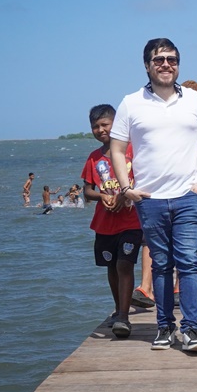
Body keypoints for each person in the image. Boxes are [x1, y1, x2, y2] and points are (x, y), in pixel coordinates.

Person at [110, 37, 197, 353]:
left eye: (172, 59)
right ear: (147, 65)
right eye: (159, 60)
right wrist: (126, 189)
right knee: (160, 264)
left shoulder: (195, 100)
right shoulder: (131, 102)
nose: (166, 65)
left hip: (188, 197)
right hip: (150, 200)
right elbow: (117, 149)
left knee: (188, 263)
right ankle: (164, 327)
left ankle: (191, 330)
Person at [81, 104, 144, 338]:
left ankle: (124, 317)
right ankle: (118, 310)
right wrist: (102, 196)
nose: (100, 130)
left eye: (104, 124)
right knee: (111, 266)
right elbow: (87, 191)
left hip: (131, 220)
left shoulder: (133, 150)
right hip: (104, 224)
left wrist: (124, 196)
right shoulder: (93, 158)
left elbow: (145, 179)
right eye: (95, 126)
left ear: (116, 124)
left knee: (124, 264)